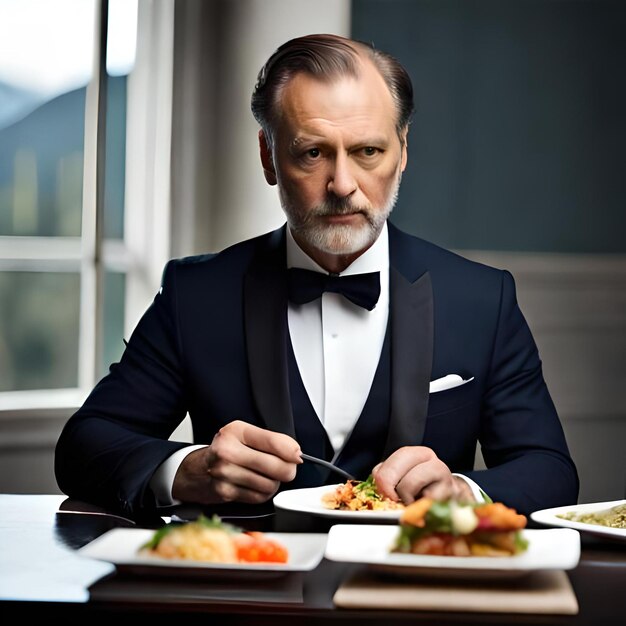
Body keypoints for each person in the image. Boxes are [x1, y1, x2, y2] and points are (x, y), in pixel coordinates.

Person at [54, 33, 578, 520]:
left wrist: (465, 493)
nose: (343, 184)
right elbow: (86, 445)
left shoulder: (484, 299)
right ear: (268, 157)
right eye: (312, 153)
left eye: (368, 151)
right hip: (248, 600)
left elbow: (550, 471)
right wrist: (189, 470)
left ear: (403, 154)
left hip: (418, 598)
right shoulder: (195, 295)